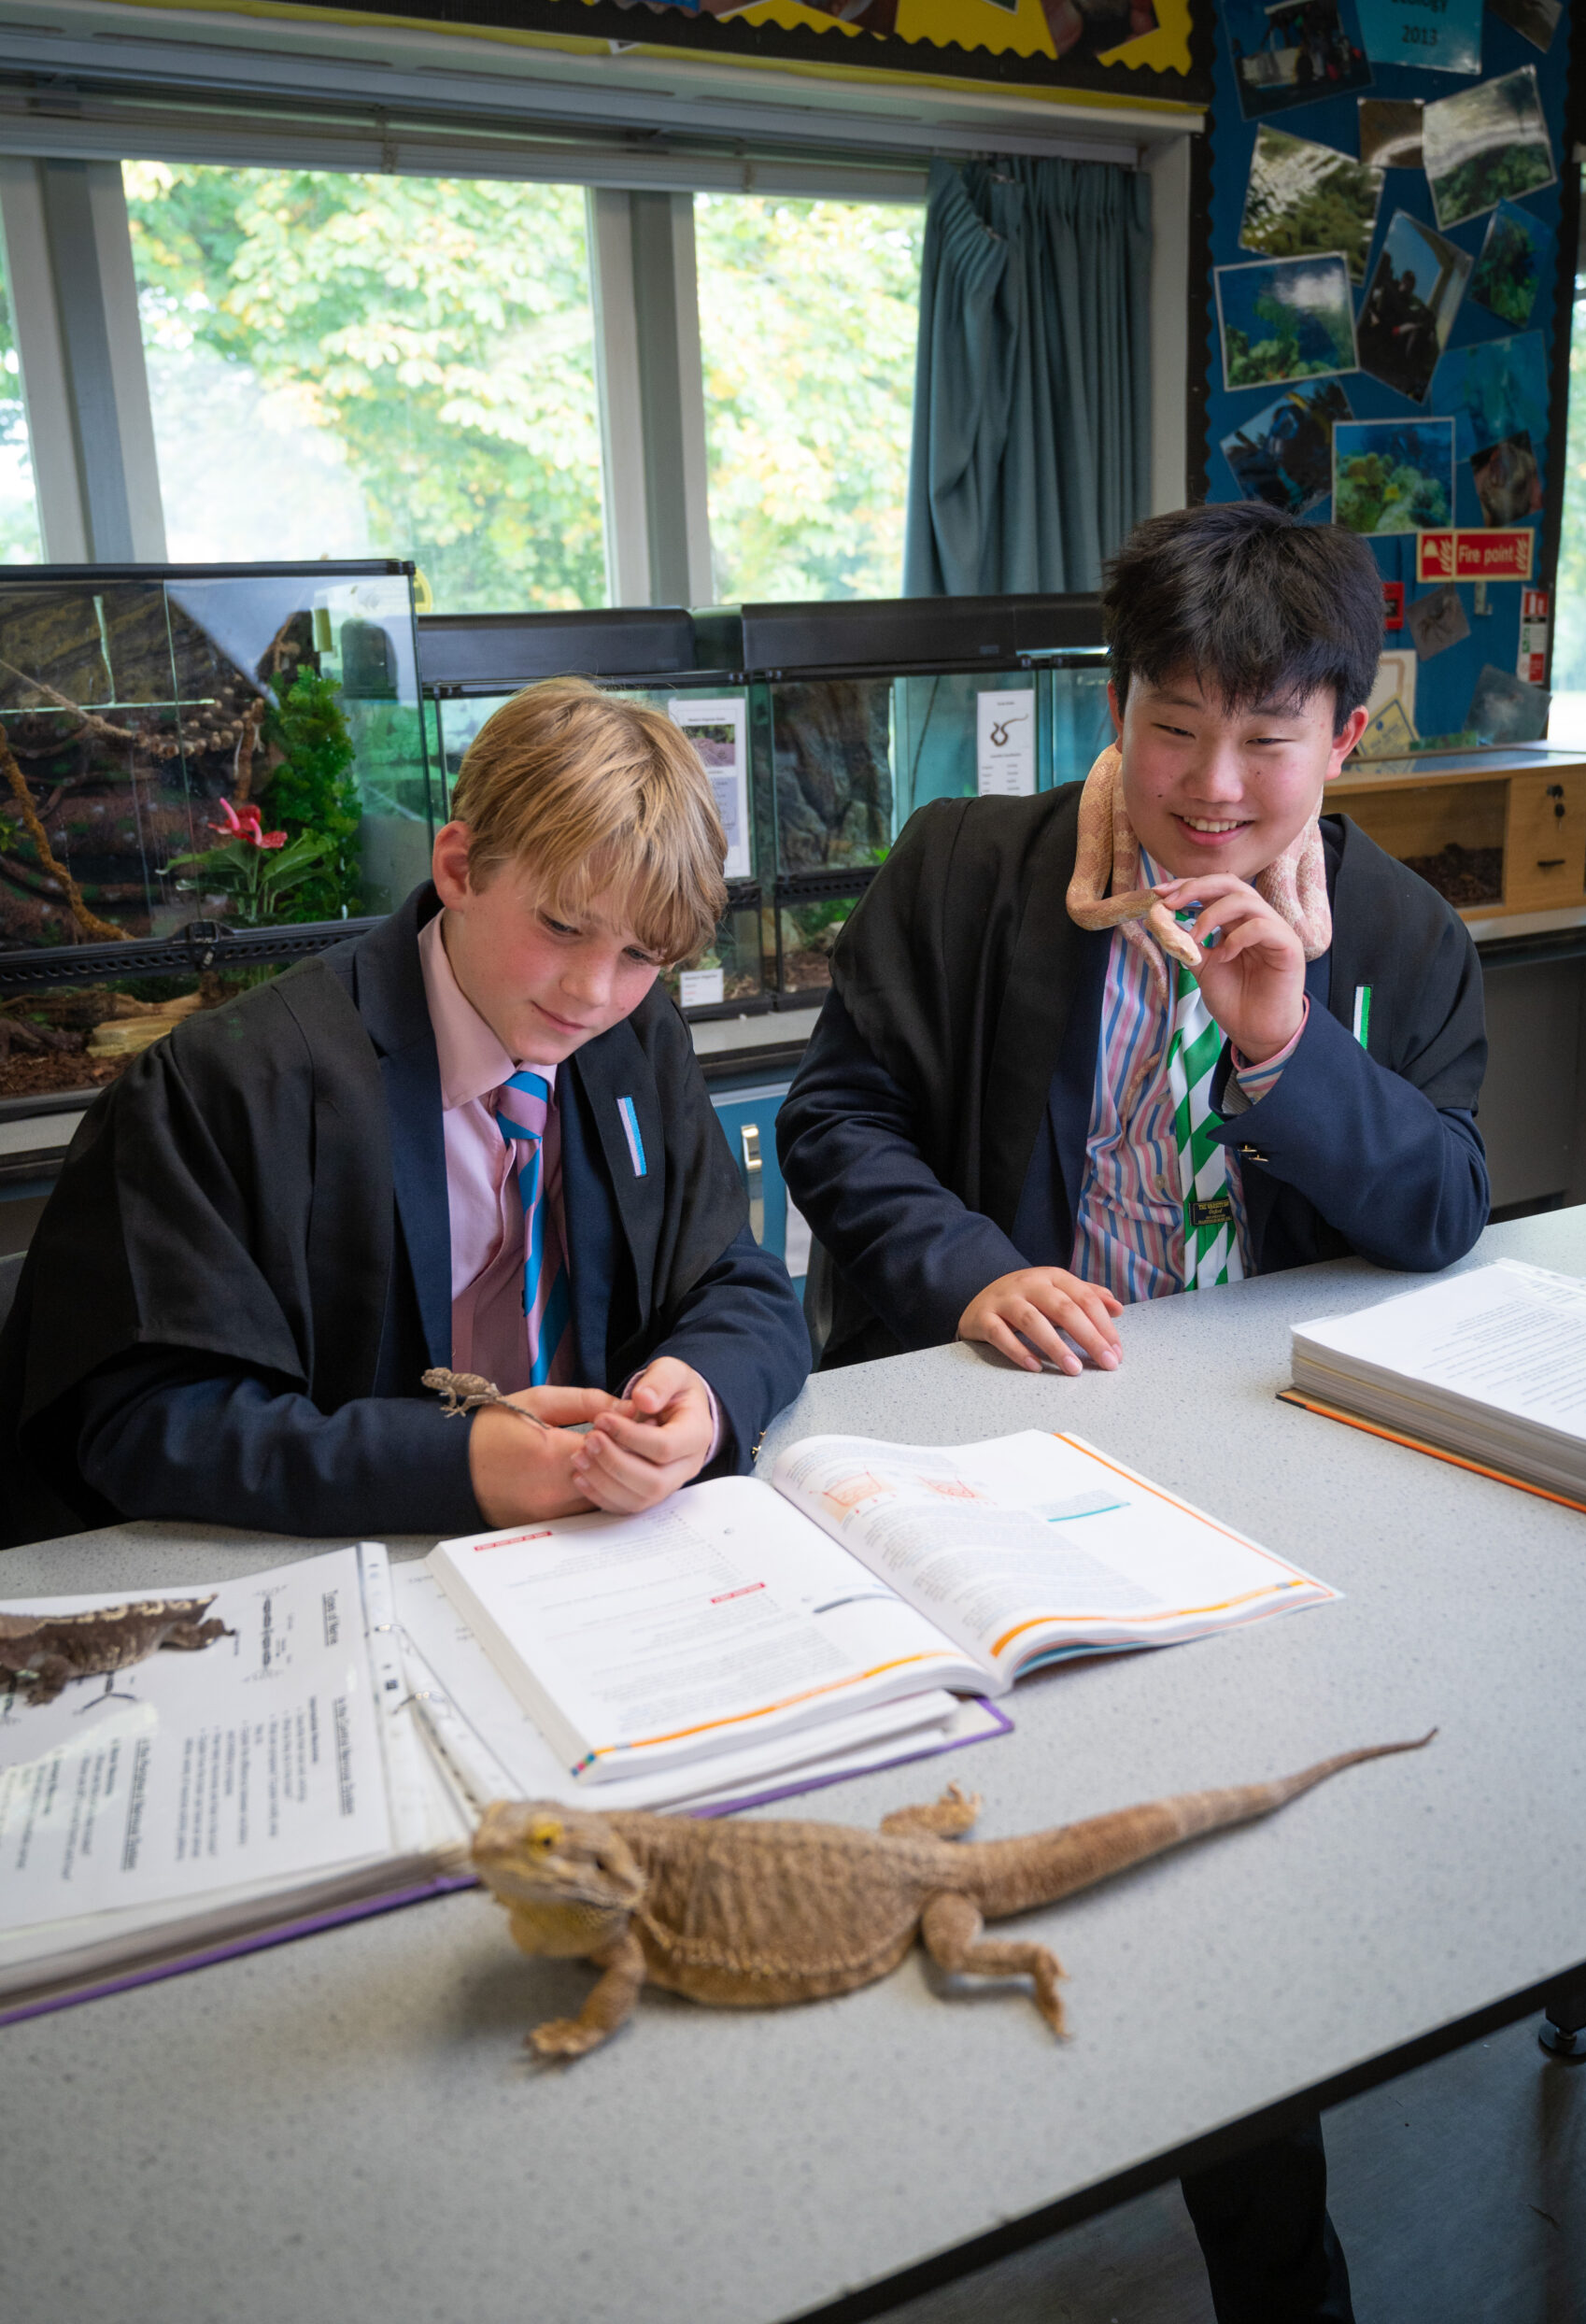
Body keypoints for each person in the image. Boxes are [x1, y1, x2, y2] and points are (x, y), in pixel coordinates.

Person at [778, 502, 1488, 2324]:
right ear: (1115, 707)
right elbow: (835, 1120)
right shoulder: (964, 870)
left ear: (1343, 733)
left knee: (1207, 1892)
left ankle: (1276, 2262)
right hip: (974, 1446)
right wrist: (963, 1262)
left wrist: (1277, 1043)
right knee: (925, 1846)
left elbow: (1431, 1208)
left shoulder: (1394, 941)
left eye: (1263, 738)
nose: (1209, 785)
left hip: (1257, 1477)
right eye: (1169, 723)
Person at [3, 678, 810, 1545]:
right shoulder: (226, 1085)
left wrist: (706, 1392)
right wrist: (455, 1465)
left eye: (639, 954)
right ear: (458, 867)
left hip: (603, 1549)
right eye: (562, 928)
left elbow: (736, 1276)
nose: (591, 992)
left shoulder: (634, 1037)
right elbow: (146, 1421)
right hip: (356, 1562)